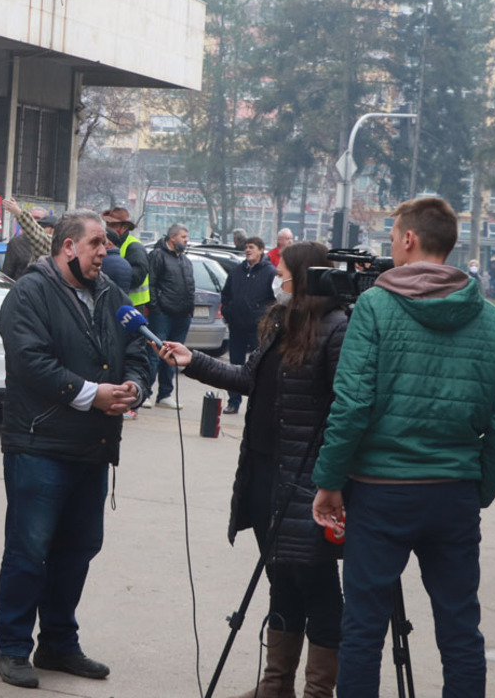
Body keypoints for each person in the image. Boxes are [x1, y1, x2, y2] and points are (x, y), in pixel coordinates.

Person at [310, 196, 495, 697]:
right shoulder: (492, 320)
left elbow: (353, 404)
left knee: (363, 628)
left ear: (409, 239)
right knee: (459, 628)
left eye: (392, 236)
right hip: (452, 492)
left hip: (380, 491)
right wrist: (477, 488)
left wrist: (329, 480)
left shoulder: (376, 306)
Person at [164, 241, 347, 698]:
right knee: (280, 578)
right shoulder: (282, 324)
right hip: (265, 472)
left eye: (281, 272)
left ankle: (318, 692)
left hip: (308, 481)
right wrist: (194, 362)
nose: (274, 280)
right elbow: (249, 378)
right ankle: (276, 686)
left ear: (303, 278)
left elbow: (348, 409)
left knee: (318, 586)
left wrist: (331, 479)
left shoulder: (336, 328)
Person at [0, 210, 151, 688]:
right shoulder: (30, 293)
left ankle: (59, 644)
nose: (107, 251)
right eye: (98, 243)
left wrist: (133, 388)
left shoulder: (110, 294)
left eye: (107, 244)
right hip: (39, 444)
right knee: (29, 550)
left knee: (79, 548)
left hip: (93, 446)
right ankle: (13, 649)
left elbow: (138, 348)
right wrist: (92, 394)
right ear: (67, 247)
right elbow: (30, 362)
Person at [218, 235, 277, 415]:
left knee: (259, 366)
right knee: (235, 366)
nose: (248, 250)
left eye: (252, 247)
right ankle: (233, 402)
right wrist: (229, 312)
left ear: (261, 250)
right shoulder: (237, 271)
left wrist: (264, 318)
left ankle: (257, 403)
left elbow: (275, 300)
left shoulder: (270, 272)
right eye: (246, 247)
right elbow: (226, 295)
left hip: (258, 329)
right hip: (237, 327)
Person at [144, 223, 194, 410]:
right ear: (172, 237)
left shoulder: (185, 260)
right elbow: (151, 283)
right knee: (155, 354)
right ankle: (146, 392)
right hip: (163, 315)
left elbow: (190, 286)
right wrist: (156, 308)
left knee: (173, 356)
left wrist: (190, 310)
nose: (186, 241)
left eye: (186, 237)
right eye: (183, 237)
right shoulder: (158, 256)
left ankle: (165, 394)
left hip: (183, 315)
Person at [1, 198, 55, 279]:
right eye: (32, 218)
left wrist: (18, 212)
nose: (34, 222)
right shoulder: (16, 242)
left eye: (38, 219)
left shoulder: (51, 245)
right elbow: (7, 272)